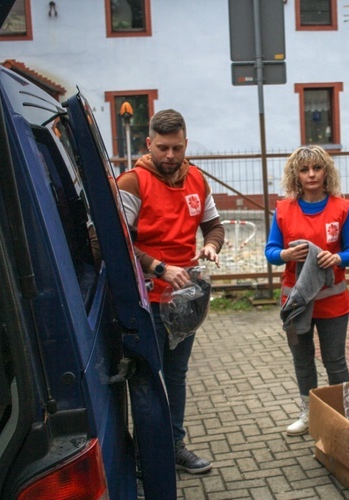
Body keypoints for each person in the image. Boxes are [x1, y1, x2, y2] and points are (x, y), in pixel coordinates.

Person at [117, 108, 223, 474]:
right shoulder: (131, 183)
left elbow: (214, 226)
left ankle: (174, 446)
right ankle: (146, 456)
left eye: (176, 148)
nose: (170, 156)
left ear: (185, 143)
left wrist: (211, 246)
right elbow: (114, 242)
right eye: (162, 148)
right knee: (147, 381)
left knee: (176, 377)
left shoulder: (196, 179)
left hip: (184, 304)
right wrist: (158, 267)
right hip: (144, 303)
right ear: (148, 143)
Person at [264, 145, 349, 436]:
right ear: (296, 174)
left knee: (335, 361)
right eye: (305, 169)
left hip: (332, 303)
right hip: (295, 303)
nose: (311, 174)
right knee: (302, 360)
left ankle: (343, 414)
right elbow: (270, 250)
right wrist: (284, 256)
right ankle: (308, 412)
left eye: (317, 168)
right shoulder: (284, 209)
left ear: (326, 172)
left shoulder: (342, 208)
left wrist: (337, 258)